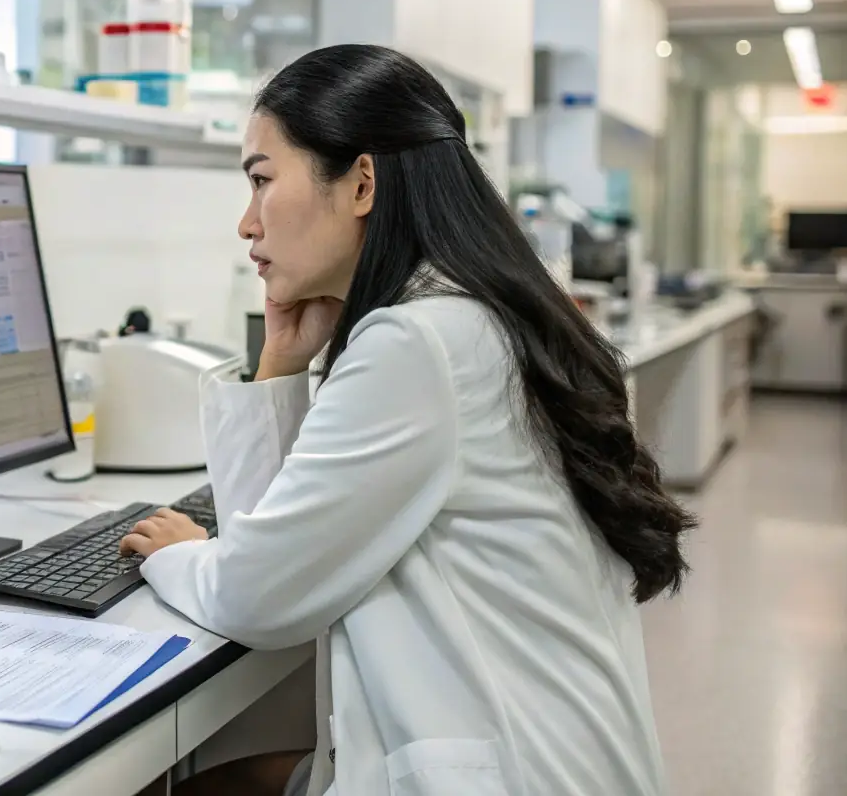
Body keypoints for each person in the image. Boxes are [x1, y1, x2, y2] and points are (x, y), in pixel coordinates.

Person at [121, 44, 694, 796]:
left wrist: (178, 552)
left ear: (361, 182)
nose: (245, 222)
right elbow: (283, 547)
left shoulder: (418, 342)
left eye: (261, 181)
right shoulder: (474, 315)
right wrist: (279, 372)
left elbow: (259, 597)